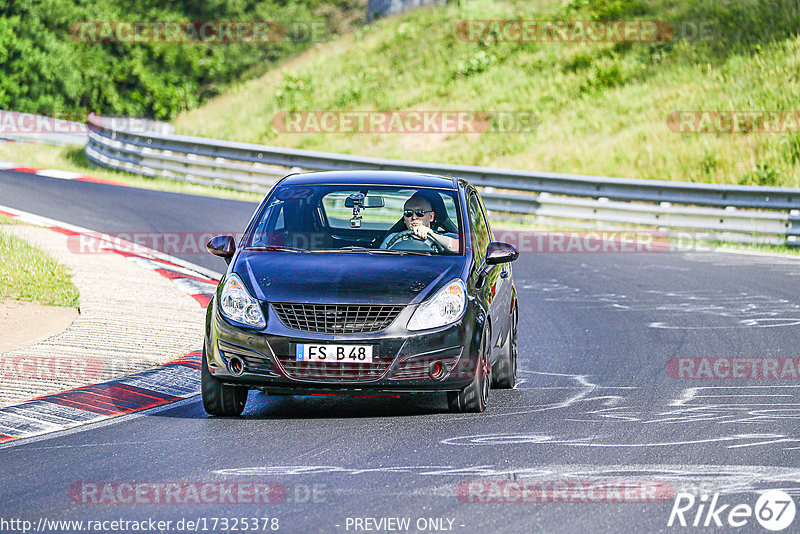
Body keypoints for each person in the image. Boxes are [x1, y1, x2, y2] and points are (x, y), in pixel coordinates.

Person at [380, 191, 459, 253]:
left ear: (431, 217)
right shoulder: (393, 238)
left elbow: (464, 249)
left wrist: (432, 235)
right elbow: (381, 261)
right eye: (408, 213)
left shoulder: (447, 237)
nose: (414, 217)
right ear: (404, 218)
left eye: (420, 213)